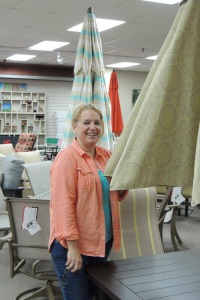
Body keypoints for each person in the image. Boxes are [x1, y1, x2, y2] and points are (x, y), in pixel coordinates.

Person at [49, 104, 128, 300]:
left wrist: (128, 178)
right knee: (78, 297)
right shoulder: (66, 159)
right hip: (73, 246)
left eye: (97, 123)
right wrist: (73, 248)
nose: (92, 127)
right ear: (74, 127)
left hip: (101, 242)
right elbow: (62, 207)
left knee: (95, 295)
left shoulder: (106, 155)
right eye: (86, 123)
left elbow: (116, 194)